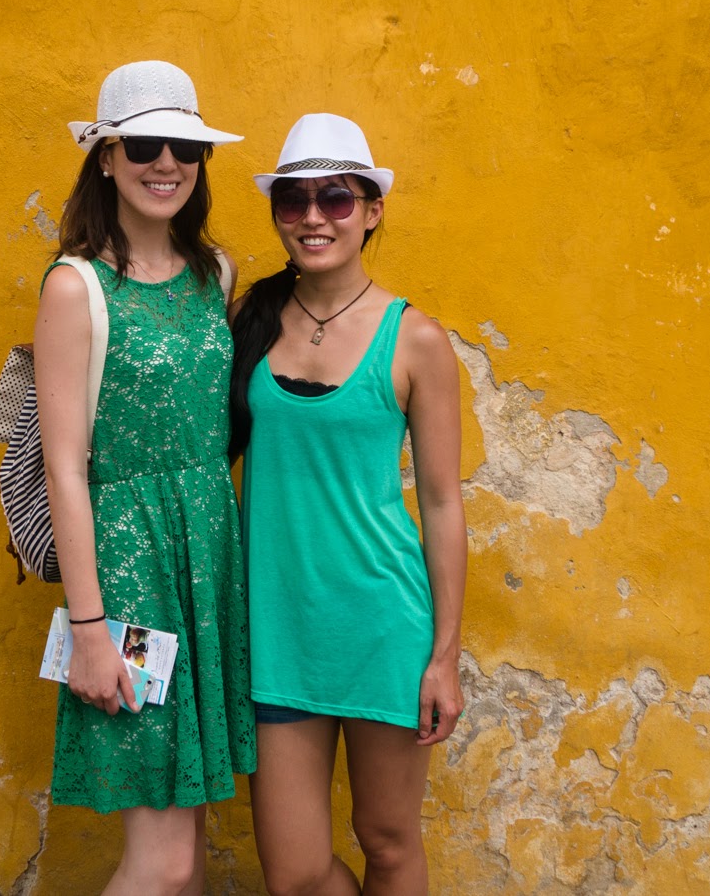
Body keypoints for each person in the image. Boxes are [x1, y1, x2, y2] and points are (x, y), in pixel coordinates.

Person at [34, 60, 258, 896]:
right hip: (130, 578)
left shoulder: (215, 275)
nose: (167, 163)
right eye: (146, 145)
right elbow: (66, 466)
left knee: (190, 851)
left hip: (208, 564)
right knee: (160, 863)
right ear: (106, 157)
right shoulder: (77, 286)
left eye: (187, 147)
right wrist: (90, 627)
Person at [231, 113, 467, 896]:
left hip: (381, 626)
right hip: (278, 629)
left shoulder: (417, 340)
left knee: (389, 841)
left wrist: (444, 655)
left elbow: (439, 502)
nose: (312, 217)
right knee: (294, 870)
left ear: (371, 211)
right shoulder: (251, 322)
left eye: (336, 198)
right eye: (293, 200)